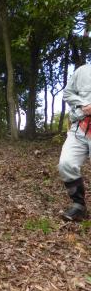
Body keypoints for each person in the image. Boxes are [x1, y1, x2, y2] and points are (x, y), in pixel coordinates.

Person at [58, 64, 91, 222]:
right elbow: (67, 93)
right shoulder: (82, 71)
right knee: (66, 163)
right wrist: (82, 105)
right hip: (79, 127)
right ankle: (79, 206)